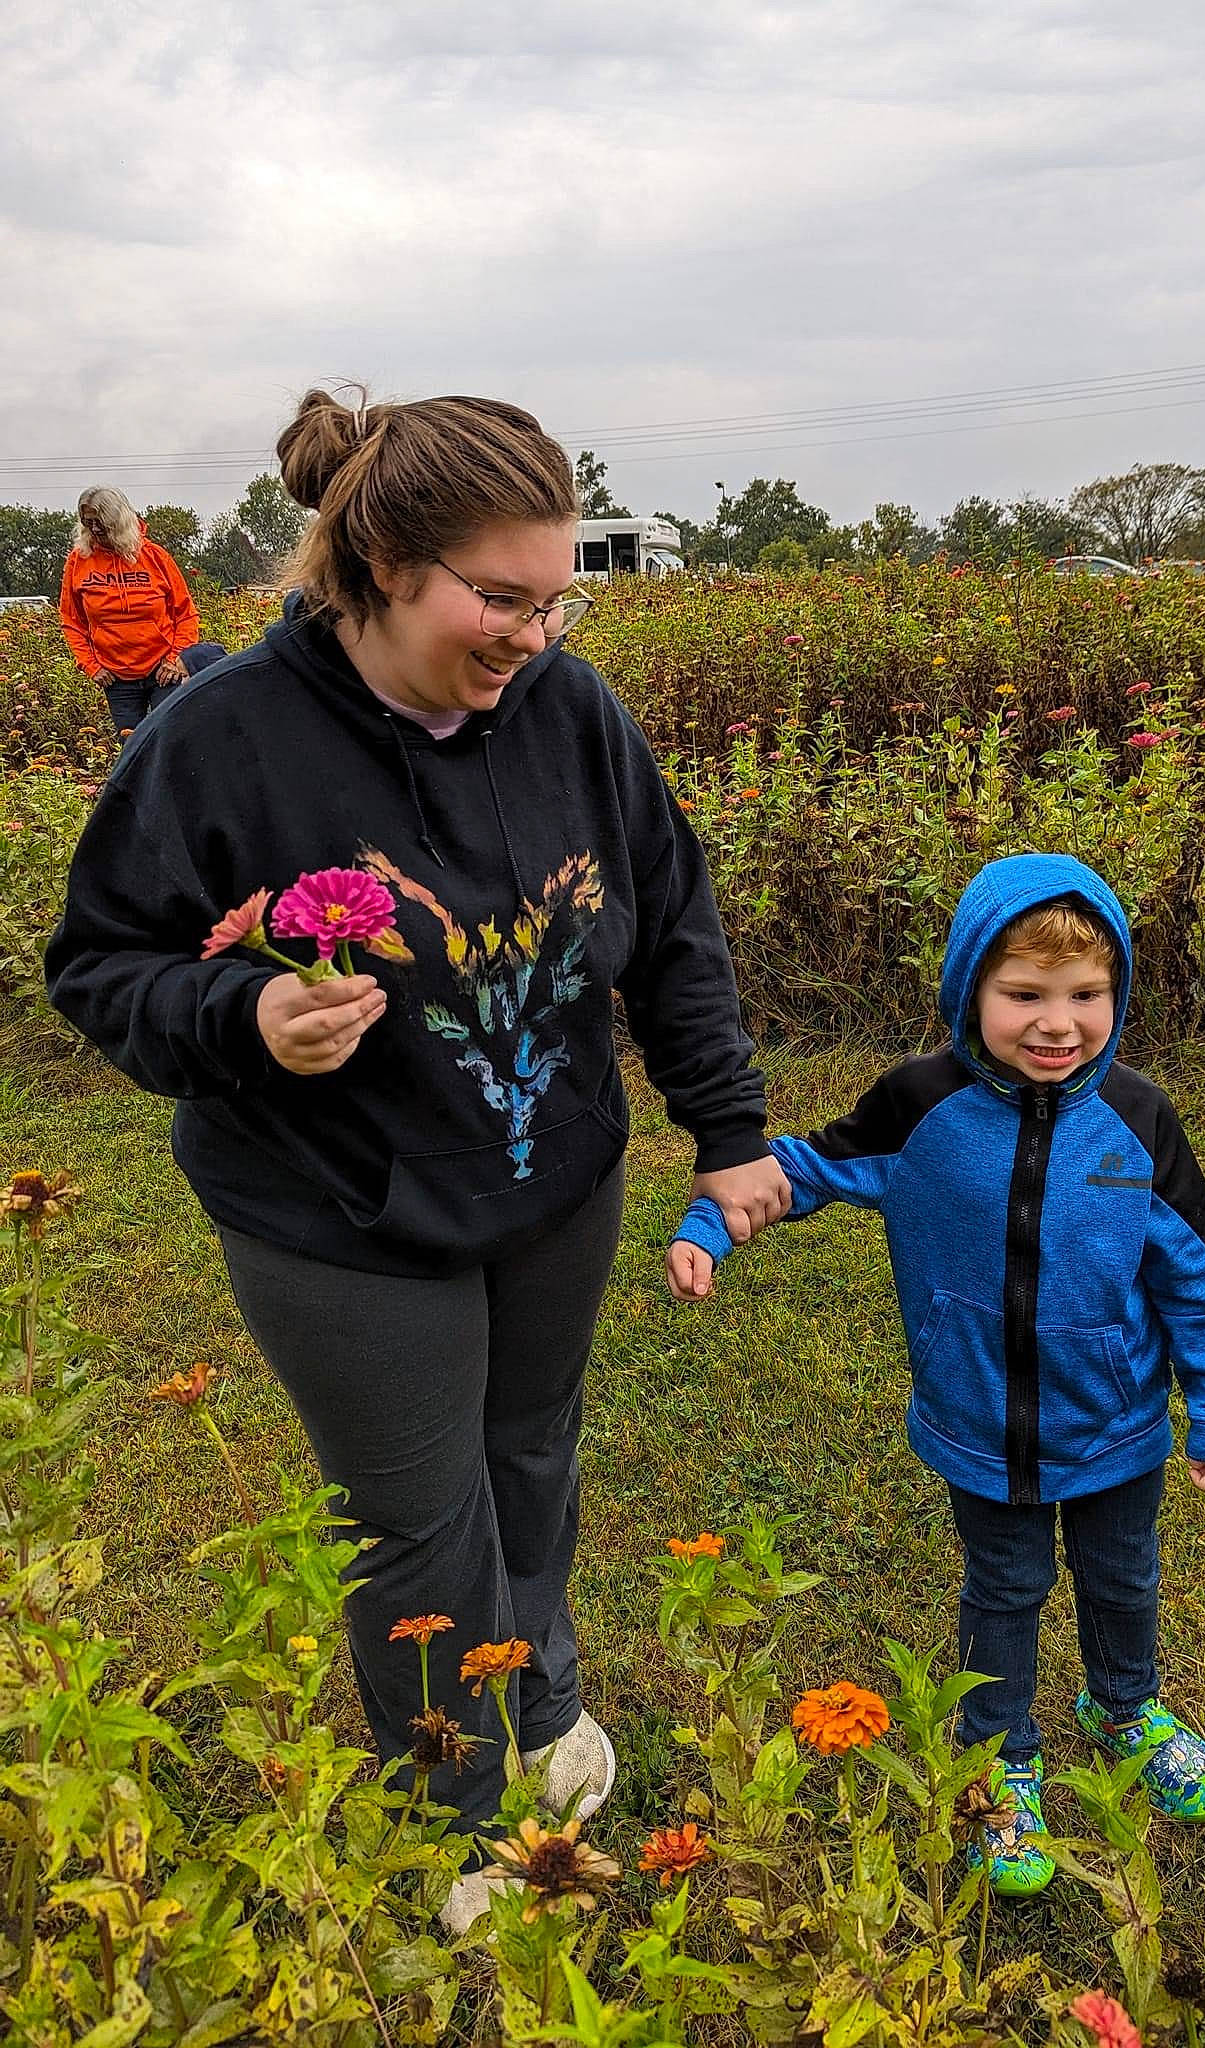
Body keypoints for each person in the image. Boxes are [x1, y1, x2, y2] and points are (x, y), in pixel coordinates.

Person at [46, 388, 790, 1933]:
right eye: (499, 598)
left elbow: (670, 920)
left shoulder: (573, 712)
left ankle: (548, 1708)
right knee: (417, 1520)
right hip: (339, 1216)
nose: (534, 633)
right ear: (382, 562)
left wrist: (725, 1131)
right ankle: (448, 1808)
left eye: (556, 596)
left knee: (533, 1456)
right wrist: (244, 1009)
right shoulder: (222, 737)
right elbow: (100, 963)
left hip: (553, 1180)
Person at [668, 853, 1205, 1898]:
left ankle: (1125, 1704)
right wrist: (715, 1216)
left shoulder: (1138, 1116)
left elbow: (1200, 1278)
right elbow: (801, 1168)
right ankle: (1001, 1757)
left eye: (1085, 995)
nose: (1057, 1022)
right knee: (1006, 1586)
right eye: (1024, 993)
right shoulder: (919, 1105)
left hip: (1117, 1425)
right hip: (978, 1423)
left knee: (1124, 1575)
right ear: (968, 988)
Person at [58, 487, 227, 735]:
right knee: (132, 749)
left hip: (163, 670)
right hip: (116, 677)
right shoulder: (78, 561)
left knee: (171, 737)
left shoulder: (155, 557)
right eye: (88, 522)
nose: (94, 529)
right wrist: (90, 665)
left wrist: (175, 659)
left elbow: (185, 614)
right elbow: (71, 619)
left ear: (118, 520)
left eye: (100, 522)